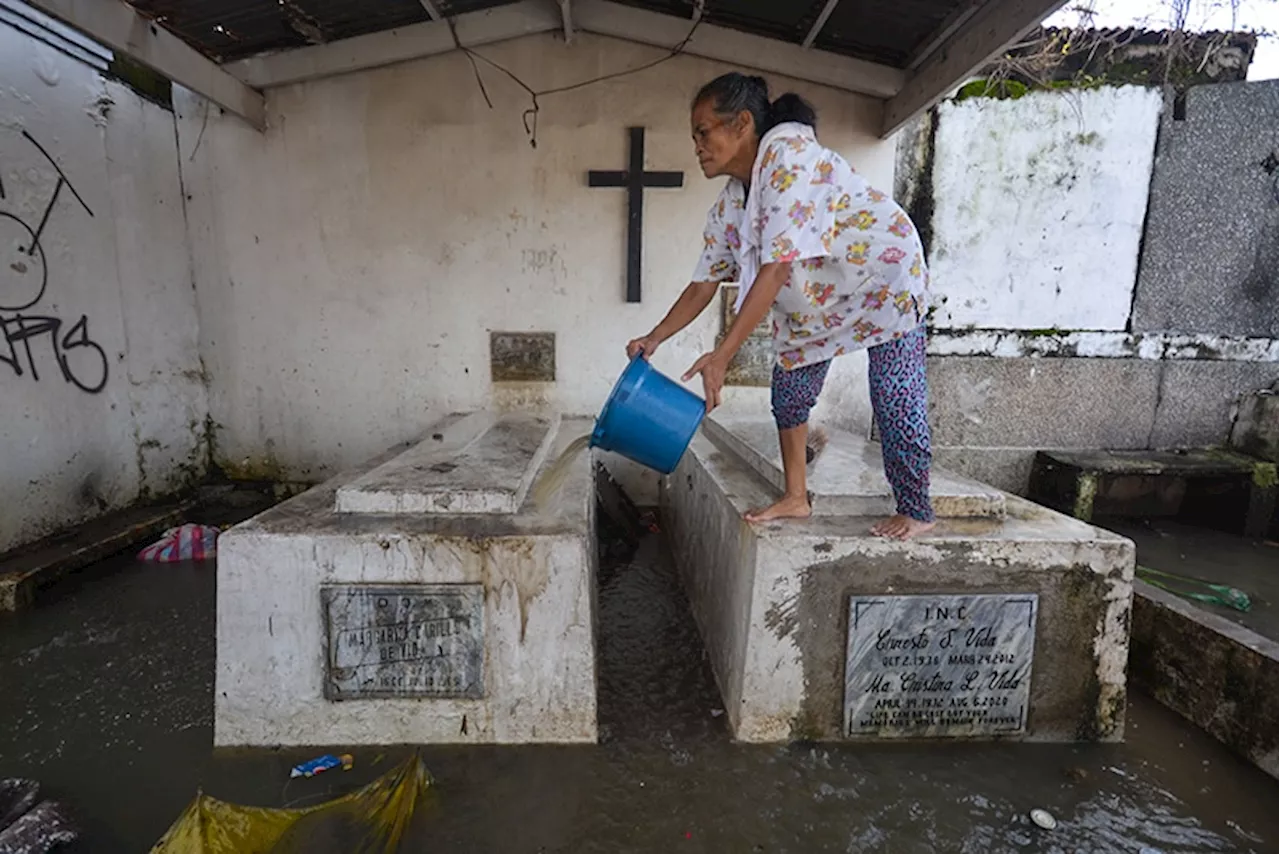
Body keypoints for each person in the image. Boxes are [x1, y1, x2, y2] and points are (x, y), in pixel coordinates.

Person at [626, 73, 935, 540]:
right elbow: (703, 284)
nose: (697, 146)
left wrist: (723, 355)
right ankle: (796, 496)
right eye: (695, 136)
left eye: (704, 131)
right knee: (789, 395)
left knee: (893, 393)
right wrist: (654, 338)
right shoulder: (732, 204)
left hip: (883, 276)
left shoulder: (789, 159)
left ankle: (916, 509)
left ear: (742, 123)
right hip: (817, 297)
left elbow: (775, 268)